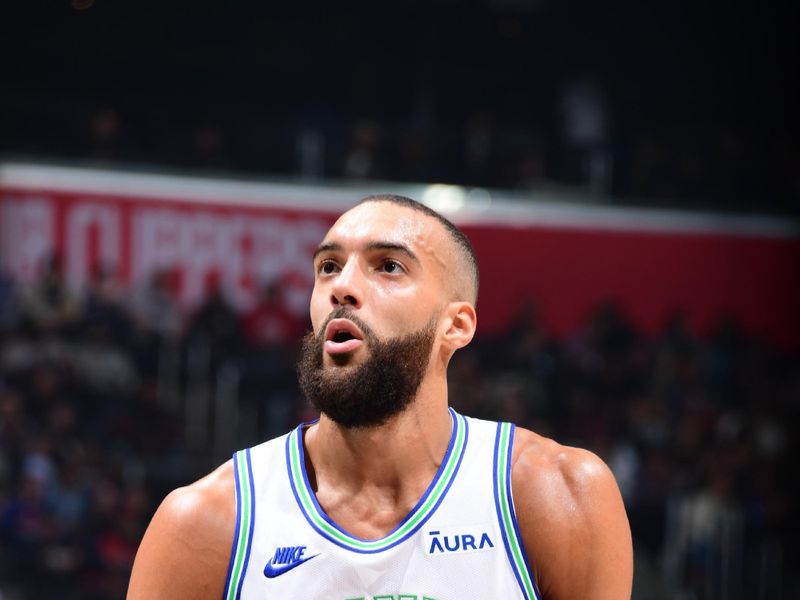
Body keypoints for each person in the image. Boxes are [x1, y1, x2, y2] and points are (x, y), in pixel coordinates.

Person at [127, 195, 633, 599]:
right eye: (328, 267)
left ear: (455, 326)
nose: (342, 287)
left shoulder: (557, 497)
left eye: (388, 266)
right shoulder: (205, 525)